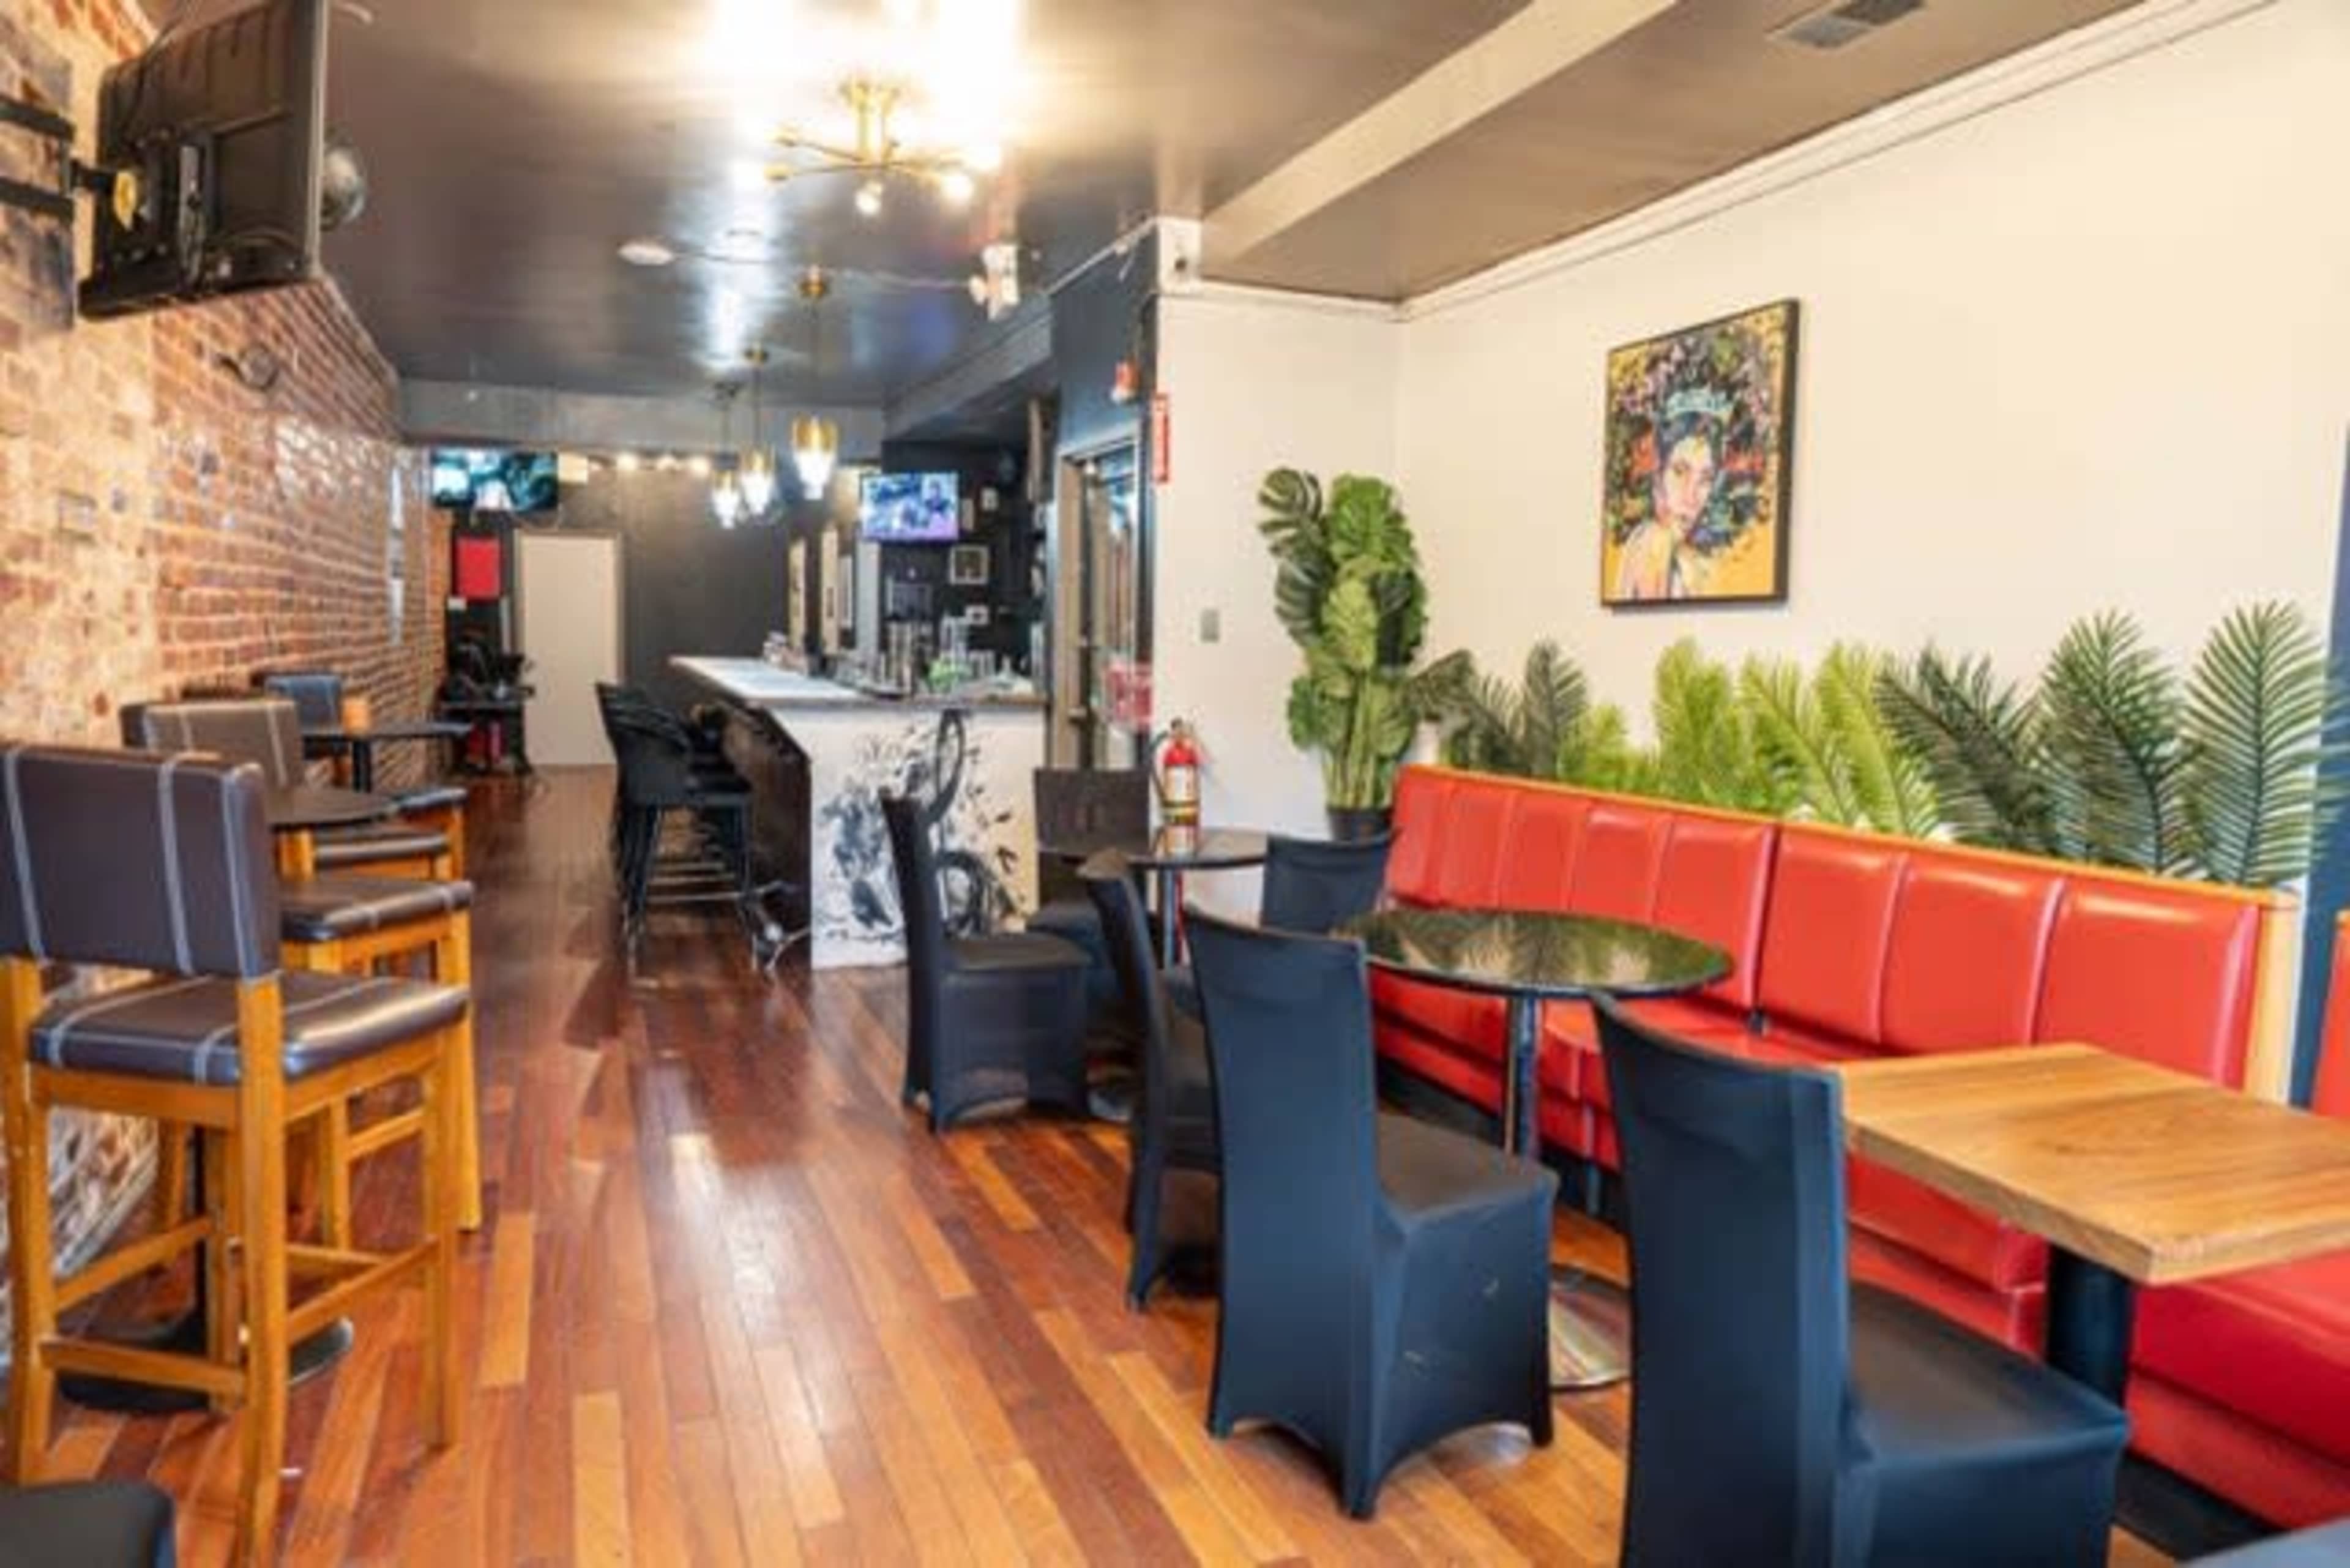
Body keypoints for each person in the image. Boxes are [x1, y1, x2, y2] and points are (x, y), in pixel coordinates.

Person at [1614, 390, 1729, 602]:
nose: (1692, 497)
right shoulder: (1655, 539)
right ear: (1658, 477)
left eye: (1705, 479)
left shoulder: (1686, 557)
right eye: (1680, 471)